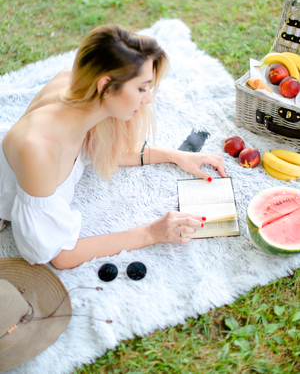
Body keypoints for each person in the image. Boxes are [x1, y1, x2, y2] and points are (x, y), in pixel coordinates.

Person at [0, 24, 226, 269]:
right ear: (105, 85)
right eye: (141, 88)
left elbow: (105, 148)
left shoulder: (78, 91)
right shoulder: (39, 150)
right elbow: (60, 255)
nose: (148, 97)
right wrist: (151, 233)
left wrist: (175, 155)